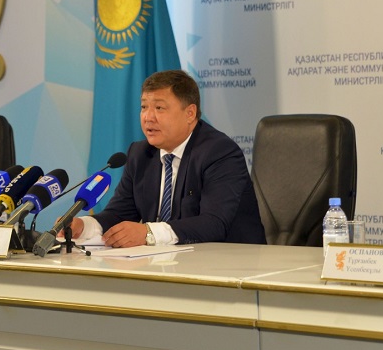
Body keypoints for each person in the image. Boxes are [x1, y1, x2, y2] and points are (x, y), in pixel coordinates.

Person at [64, 69, 266, 247]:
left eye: (159, 108)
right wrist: (84, 226)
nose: (148, 117)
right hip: (168, 263)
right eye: (144, 107)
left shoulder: (219, 152)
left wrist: (148, 233)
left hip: (230, 266)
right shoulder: (140, 154)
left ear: (190, 113)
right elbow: (118, 214)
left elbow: (213, 223)